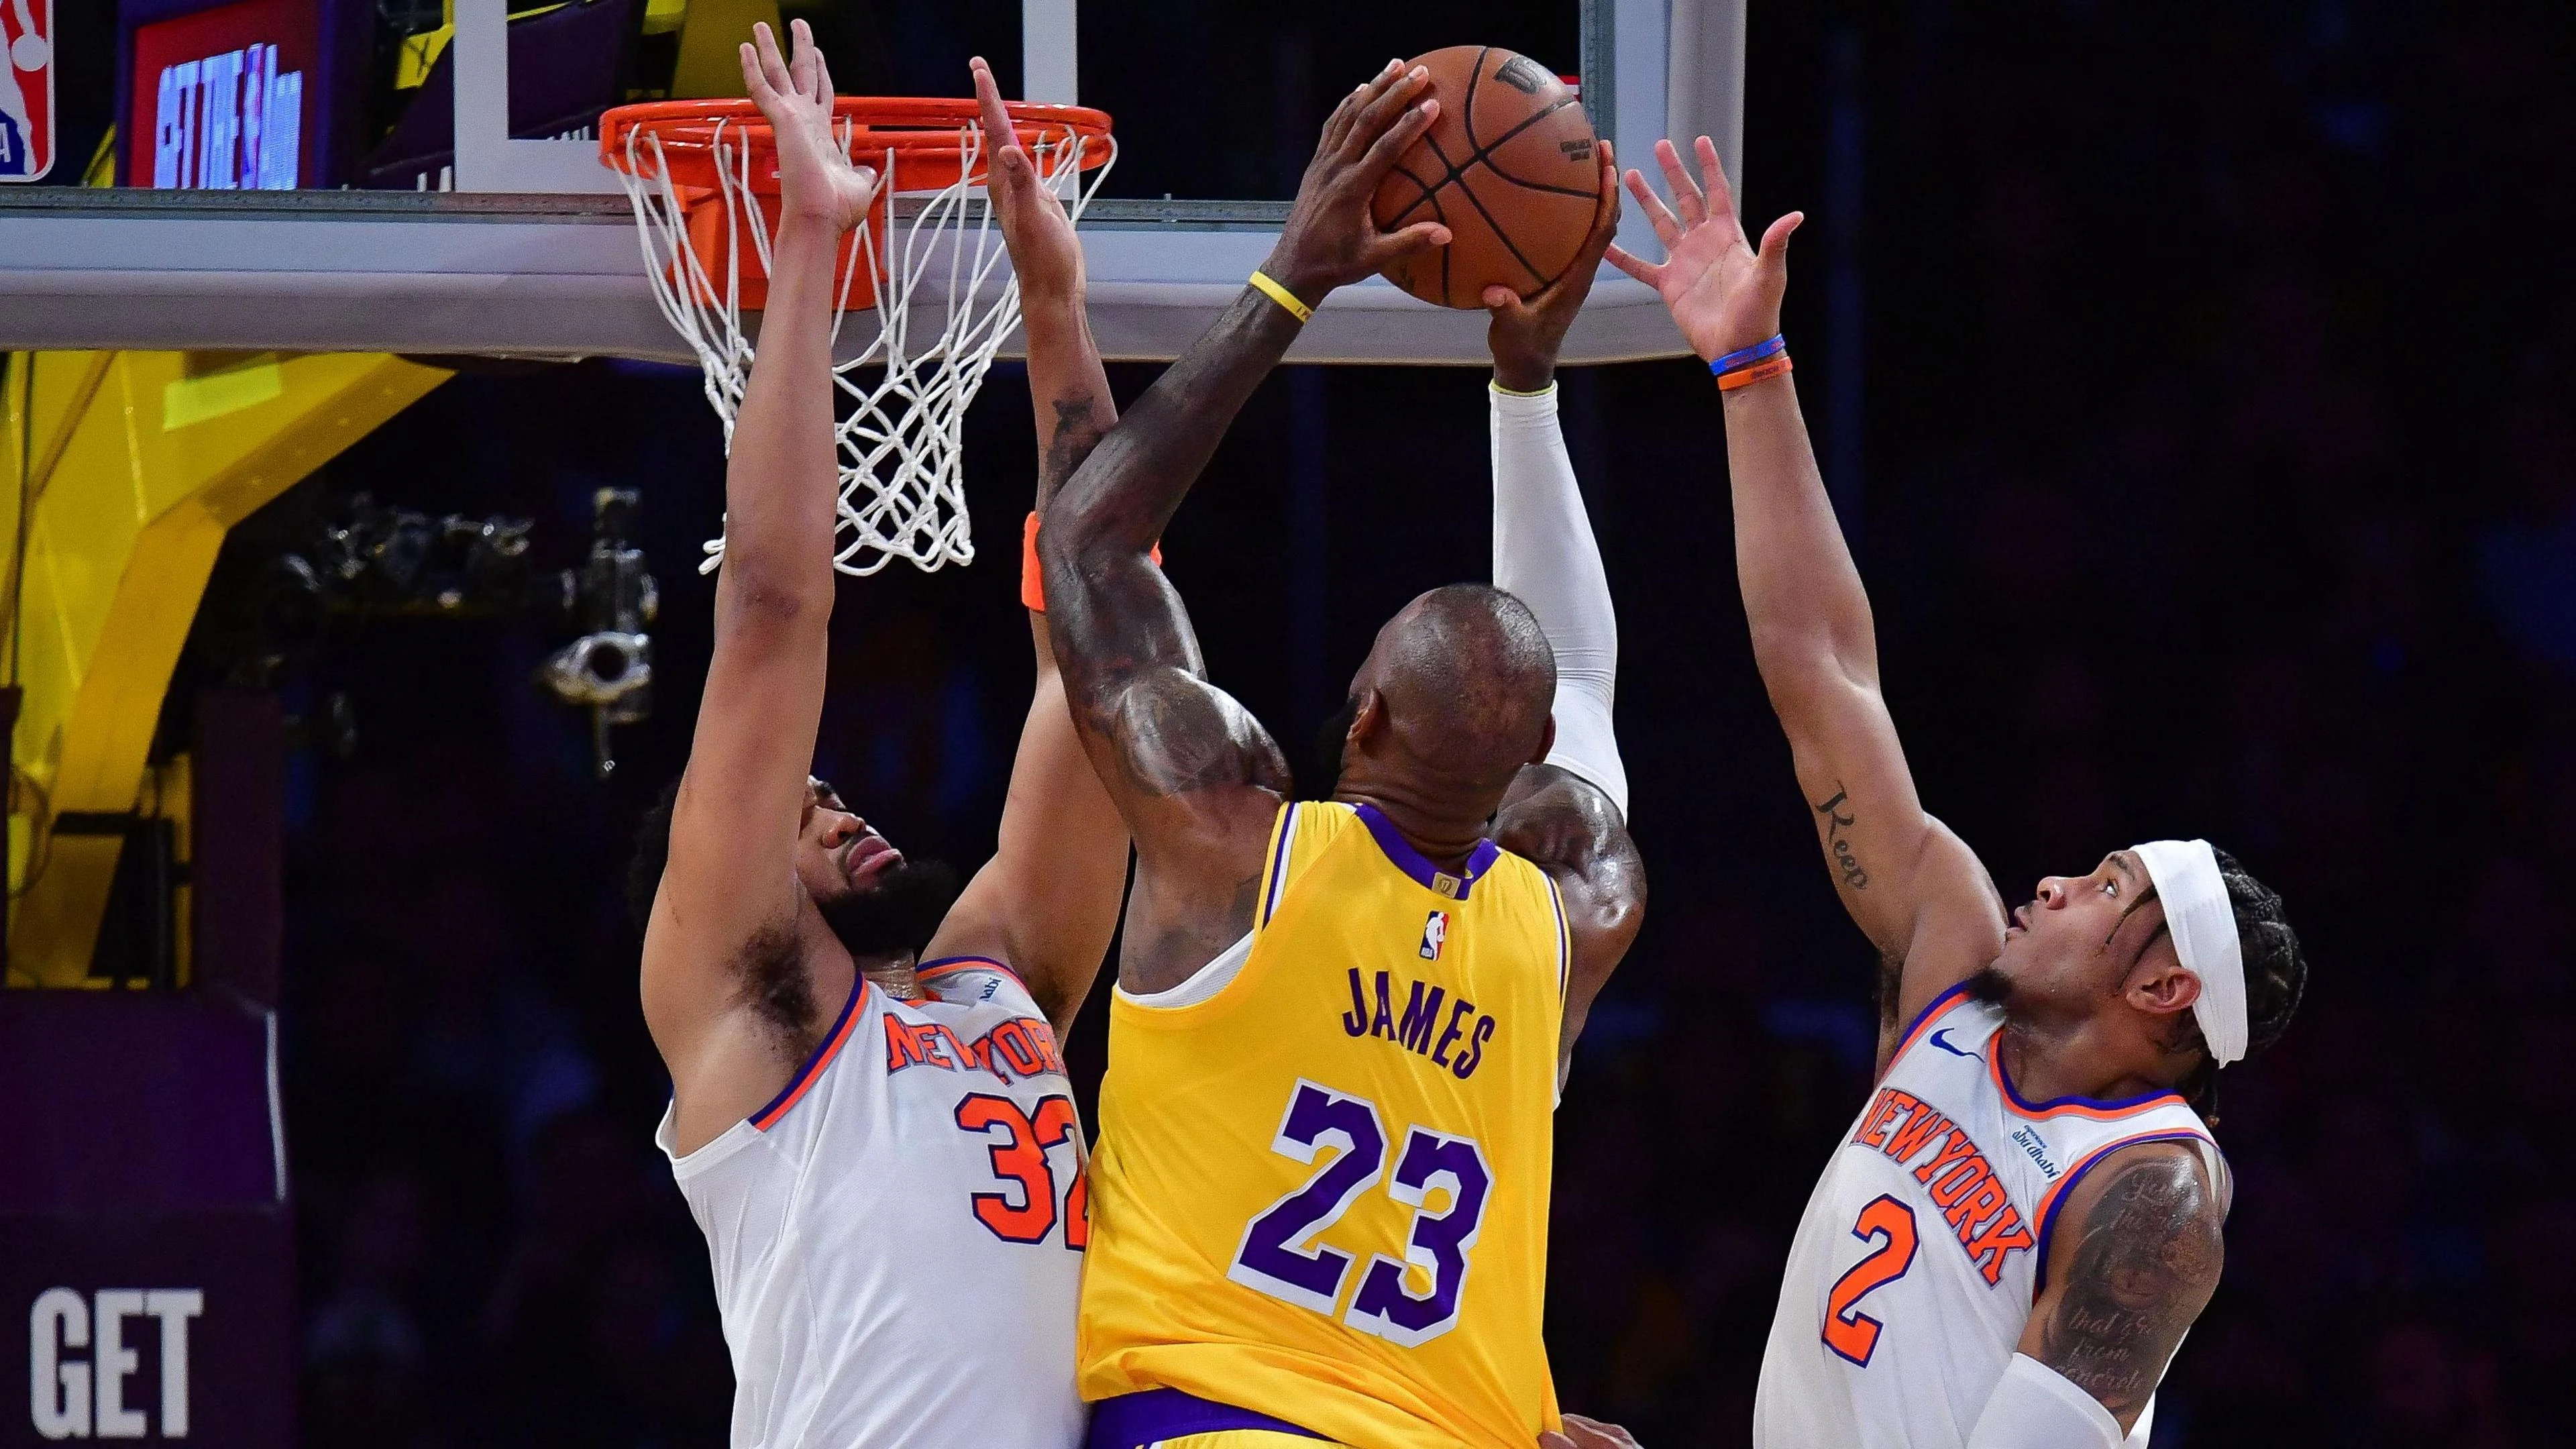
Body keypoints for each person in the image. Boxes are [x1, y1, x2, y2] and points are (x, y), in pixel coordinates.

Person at [1606, 137, 2310, 1448]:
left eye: (2109, 892)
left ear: (2165, 988)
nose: (2053, 881)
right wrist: (1750, 369)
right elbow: (1823, 673)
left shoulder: (2150, 1185)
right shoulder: (1953, 966)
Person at [1040, 60, 1647, 1449]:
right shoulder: (1572, 918)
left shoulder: (1230, 841)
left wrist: (1290, 283)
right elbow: (1592, 676)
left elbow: (1088, 542)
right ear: (1538, 755)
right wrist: (1528, 394)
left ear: (1358, 716)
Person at [628, 26, 1132, 1448]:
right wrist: (809, 238)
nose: (838, 807)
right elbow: (776, 612)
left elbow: (1098, 677)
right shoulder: (747, 1003)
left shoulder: (997, 985)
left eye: (828, 791)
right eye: (806, 805)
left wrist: (1051, 306)